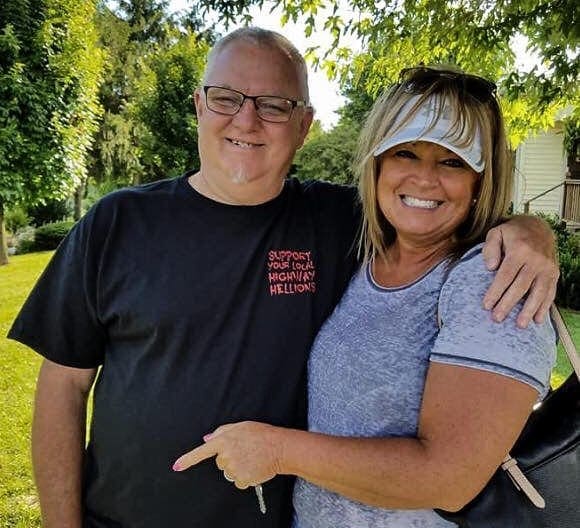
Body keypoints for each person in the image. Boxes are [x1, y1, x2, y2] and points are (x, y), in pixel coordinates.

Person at [8, 27, 556, 527]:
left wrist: (528, 229)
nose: (246, 121)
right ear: (199, 105)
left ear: (304, 125)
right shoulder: (117, 223)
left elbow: (433, 206)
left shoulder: (341, 223)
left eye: (274, 105)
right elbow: (63, 387)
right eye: (226, 98)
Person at [173, 66, 557, 528]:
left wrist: (276, 450)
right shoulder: (364, 254)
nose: (424, 178)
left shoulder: (493, 281)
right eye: (405, 153)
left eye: (453, 161)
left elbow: (449, 480)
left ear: (482, 178)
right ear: (377, 162)